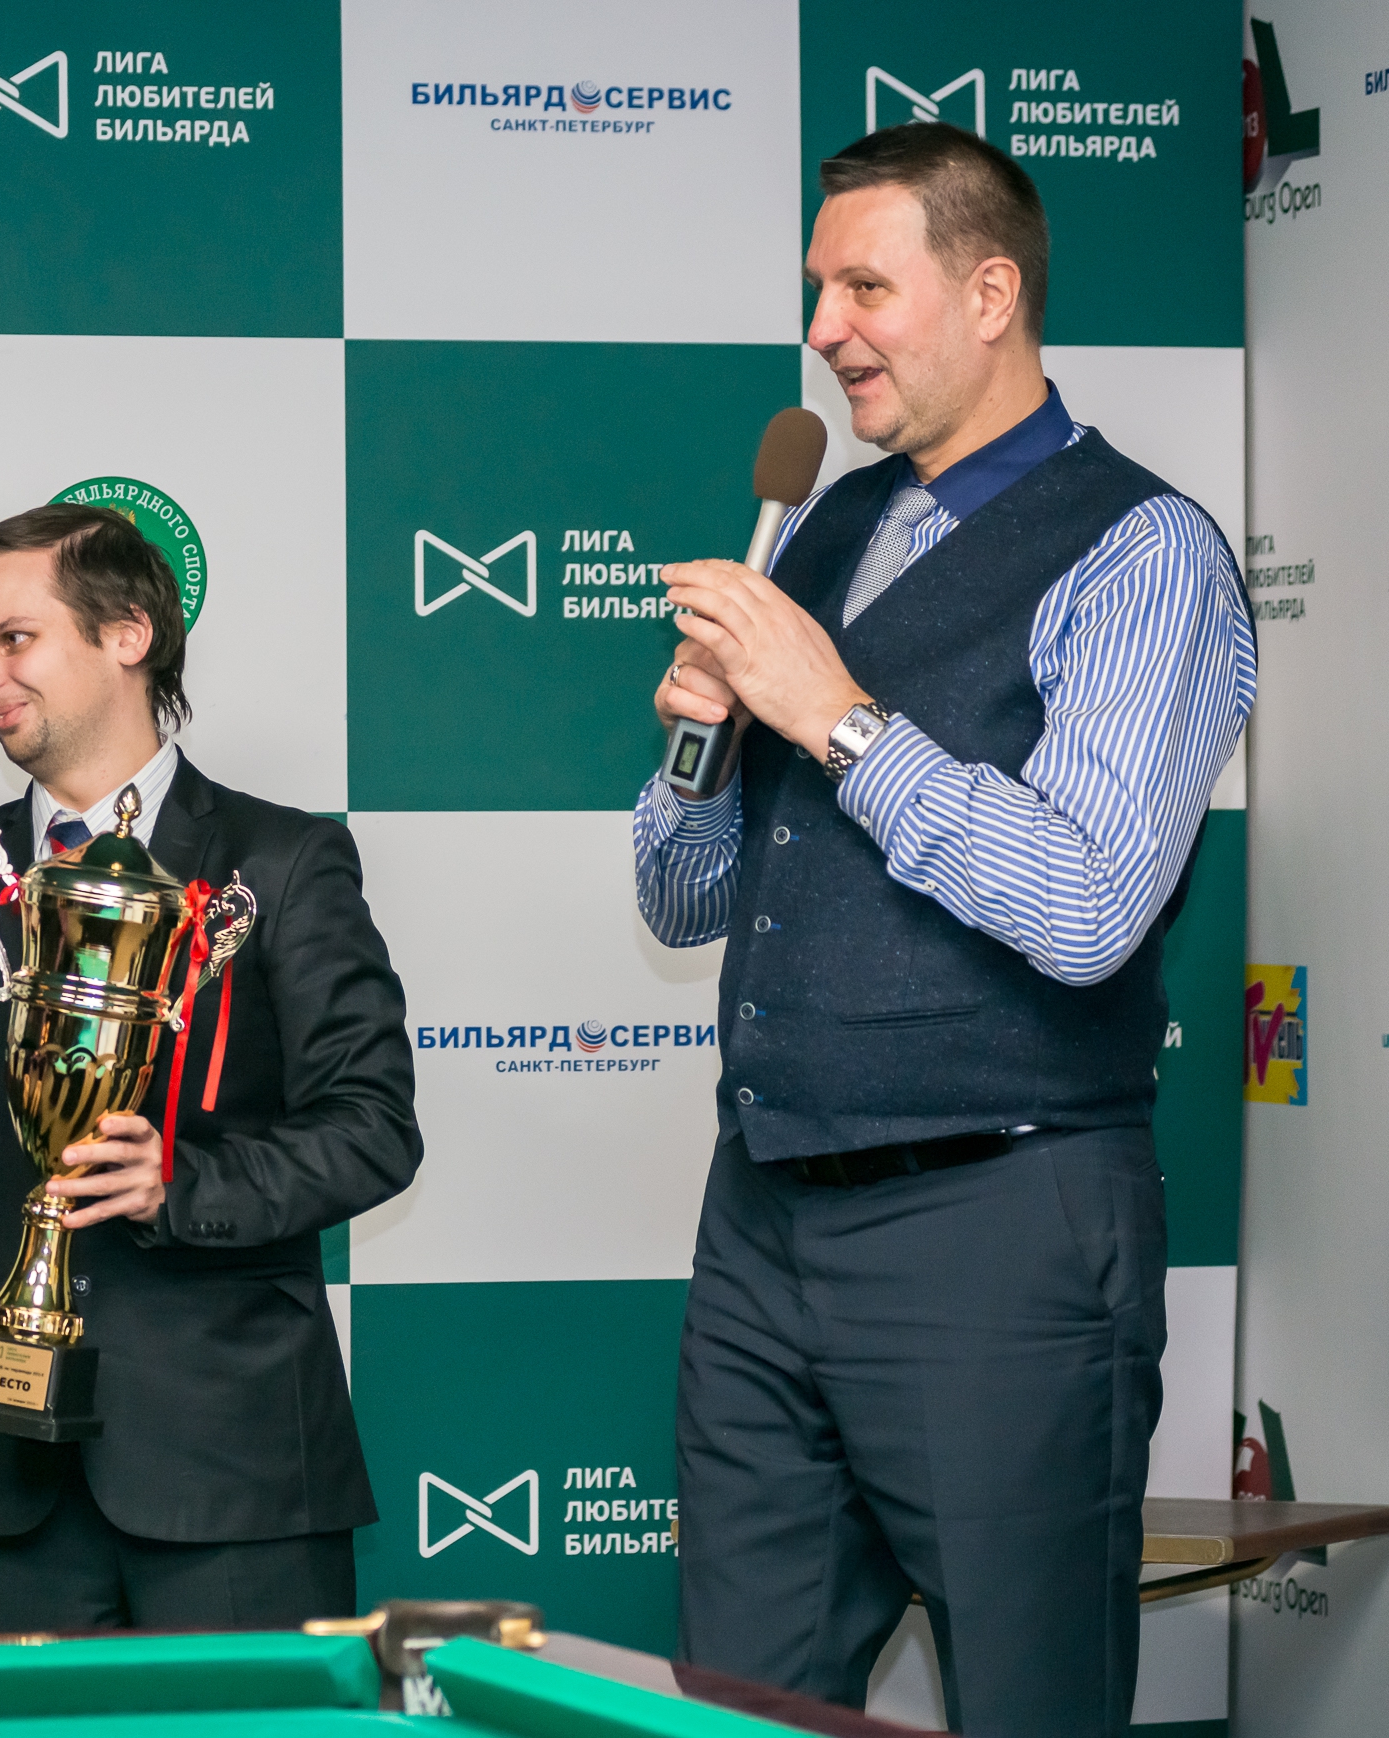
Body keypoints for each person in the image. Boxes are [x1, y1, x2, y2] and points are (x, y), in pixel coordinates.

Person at [639, 124, 1254, 1738]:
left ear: (990, 294)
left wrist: (837, 717)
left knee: (1028, 1699)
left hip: (1002, 1218)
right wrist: (701, 749)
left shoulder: (1146, 551)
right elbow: (681, 902)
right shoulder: (822, 526)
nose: (825, 329)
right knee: (740, 1703)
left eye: (864, 287)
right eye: (816, 291)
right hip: (764, 1213)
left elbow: (1088, 904)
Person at [0, 504, 421, 1631]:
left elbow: (371, 1126)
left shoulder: (283, 861)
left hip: (231, 1468)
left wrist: (177, 1182)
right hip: (2, 1471)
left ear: (128, 633)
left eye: (13, 639)